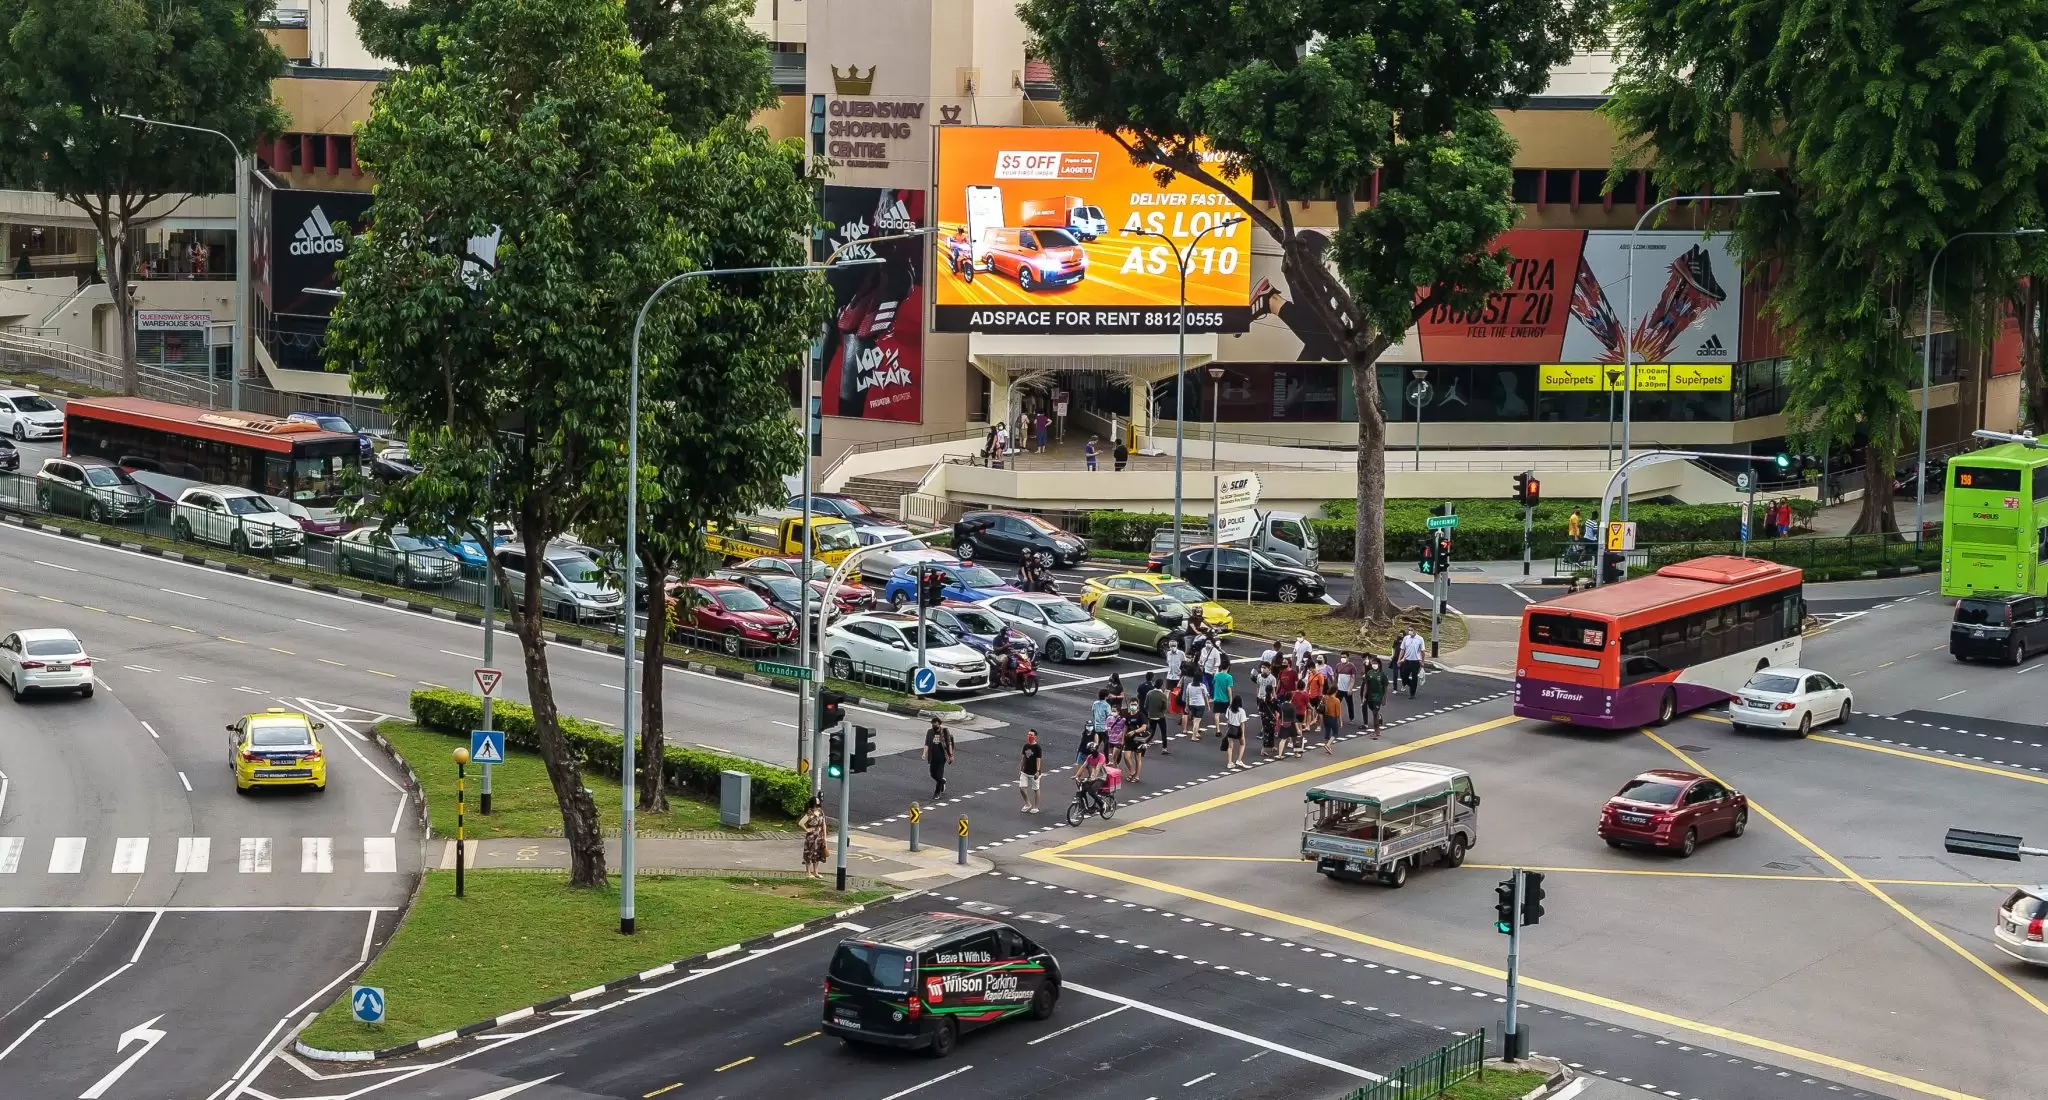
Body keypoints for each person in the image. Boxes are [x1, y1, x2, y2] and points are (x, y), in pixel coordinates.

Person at [922, 718, 955, 798]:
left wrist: (951, 755)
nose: (934, 726)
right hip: (932, 756)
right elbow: (927, 744)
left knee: (939, 775)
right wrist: (924, 753)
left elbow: (949, 743)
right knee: (932, 774)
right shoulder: (930, 732)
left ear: (939, 724)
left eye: (936, 724)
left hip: (942, 757)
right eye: (933, 724)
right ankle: (942, 782)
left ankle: (937, 793)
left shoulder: (944, 731)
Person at [1075, 744, 1109, 817]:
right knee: (1083, 788)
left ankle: (1101, 803)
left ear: (1096, 749)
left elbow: (1098, 767)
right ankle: (1086, 808)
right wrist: (1076, 776)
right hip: (1093, 776)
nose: (1091, 751)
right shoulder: (1090, 757)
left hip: (1101, 777)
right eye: (1090, 750)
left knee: (1091, 790)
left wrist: (1094, 777)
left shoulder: (1101, 757)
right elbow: (1083, 766)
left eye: (1092, 749)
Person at [1361, 654, 1388, 739]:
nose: (1374, 665)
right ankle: (1379, 718)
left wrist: (1384, 699)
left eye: (1375, 663)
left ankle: (1376, 730)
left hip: (1378, 697)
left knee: (1374, 713)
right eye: (1373, 663)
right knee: (1373, 711)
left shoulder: (1382, 675)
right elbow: (1366, 685)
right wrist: (1364, 696)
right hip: (1370, 696)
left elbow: (1386, 687)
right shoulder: (1369, 673)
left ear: (1379, 664)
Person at [800, 795, 828, 878]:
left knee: (818, 854)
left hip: (819, 836)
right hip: (811, 837)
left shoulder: (821, 812)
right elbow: (801, 822)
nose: (818, 802)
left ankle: (816, 872)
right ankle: (808, 873)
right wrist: (807, 829)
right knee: (809, 853)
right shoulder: (810, 812)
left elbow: (824, 824)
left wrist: (825, 836)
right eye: (816, 801)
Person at [1144, 672, 1171, 756]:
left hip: (1151, 715)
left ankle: (1144, 745)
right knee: (1163, 732)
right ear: (1162, 685)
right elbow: (1165, 707)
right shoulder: (1163, 696)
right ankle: (1164, 748)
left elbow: (1146, 706)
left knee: (1151, 732)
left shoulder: (1149, 693)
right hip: (1160, 716)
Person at [1122, 701, 1149, 782]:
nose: (1133, 706)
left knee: (1138, 758)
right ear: (1129, 705)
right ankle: (1132, 771)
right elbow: (1125, 727)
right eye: (1132, 704)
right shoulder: (1127, 715)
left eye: (1135, 704)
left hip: (1138, 739)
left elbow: (1144, 727)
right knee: (1126, 756)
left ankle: (1137, 776)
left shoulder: (1141, 715)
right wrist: (1123, 738)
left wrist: (1134, 731)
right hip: (1129, 739)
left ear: (1137, 705)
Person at [1209, 657, 1235, 739]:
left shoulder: (1217, 676)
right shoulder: (1229, 677)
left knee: (1217, 715)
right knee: (1229, 715)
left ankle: (1218, 730)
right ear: (1228, 667)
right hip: (1225, 699)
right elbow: (1229, 689)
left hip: (1217, 698)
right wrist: (1231, 700)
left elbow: (1213, 683)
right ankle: (1229, 730)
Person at [1019, 730, 1044, 813]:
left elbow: (1038, 760)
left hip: (1034, 772)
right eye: (1028, 734)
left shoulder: (1037, 747)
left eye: (1031, 735)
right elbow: (1023, 757)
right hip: (1025, 771)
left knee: (1036, 789)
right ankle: (1027, 803)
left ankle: (1036, 807)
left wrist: (1037, 771)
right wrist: (1021, 767)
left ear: (1035, 736)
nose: (1029, 736)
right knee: (1022, 788)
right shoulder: (1025, 746)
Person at [1396, 628, 1426, 698]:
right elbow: (1402, 650)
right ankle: (1412, 685)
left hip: (1416, 661)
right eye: (1409, 630)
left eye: (1412, 630)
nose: (1410, 631)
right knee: (1404, 676)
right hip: (1406, 660)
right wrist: (1399, 660)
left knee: (1414, 677)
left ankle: (1412, 694)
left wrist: (1422, 661)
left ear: (1415, 630)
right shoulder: (1406, 638)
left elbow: (1423, 651)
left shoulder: (1420, 639)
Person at [1288, 679, 1314, 758]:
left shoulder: (1293, 693)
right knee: (1299, 728)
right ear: (1304, 687)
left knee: (1291, 727)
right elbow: (1307, 704)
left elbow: (1289, 701)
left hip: (1293, 712)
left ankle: (1290, 742)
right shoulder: (1305, 694)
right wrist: (1312, 708)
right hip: (1301, 713)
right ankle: (1299, 745)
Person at [1222, 695, 1248, 769]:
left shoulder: (1229, 709)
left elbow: (1227, 719)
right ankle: (1239, 760)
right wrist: (1242, 734)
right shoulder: (1241, 711)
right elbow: (1242, 723)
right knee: (1242, 744)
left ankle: (1229, 762)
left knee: (1230, 747)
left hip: (1230, 728)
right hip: (1238, 729)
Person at [1181, 675, 1209, 743]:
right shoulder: (1202, 686)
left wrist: (1186, 706)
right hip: (1200, 705)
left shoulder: (1189, 685)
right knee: (1197, 721)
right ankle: (1194, 736)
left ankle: (1196, 733)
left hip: (1192, 704)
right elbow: (1206, 696)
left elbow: (1187, 696)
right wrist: (1208, 705)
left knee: (1194, 719)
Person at [1320, 681, 1342, 754]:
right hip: (1333, 718)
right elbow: (1338, 713)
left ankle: (1328, 747)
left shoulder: (1325, 697)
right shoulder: (1336, 700)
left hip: (1325, 717)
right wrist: (1340, 721)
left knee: (1327, 731)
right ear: (1335, 691)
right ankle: (1328, 744)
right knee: (1335, 732)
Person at [1336, 652, 1357, 722]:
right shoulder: (1338, 665)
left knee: (1350, 704)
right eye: (1342, 657)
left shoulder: (1352, 666)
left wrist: (1350, 688)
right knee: (1336, 703)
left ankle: (1351, 718)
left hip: (1347, 689)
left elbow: (1353, 678)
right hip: (1339, 689)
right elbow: (1336, 676)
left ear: (1348, 658)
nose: (1343, 658)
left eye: (1344, 657)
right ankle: (1335, 716)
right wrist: (1334, 687)